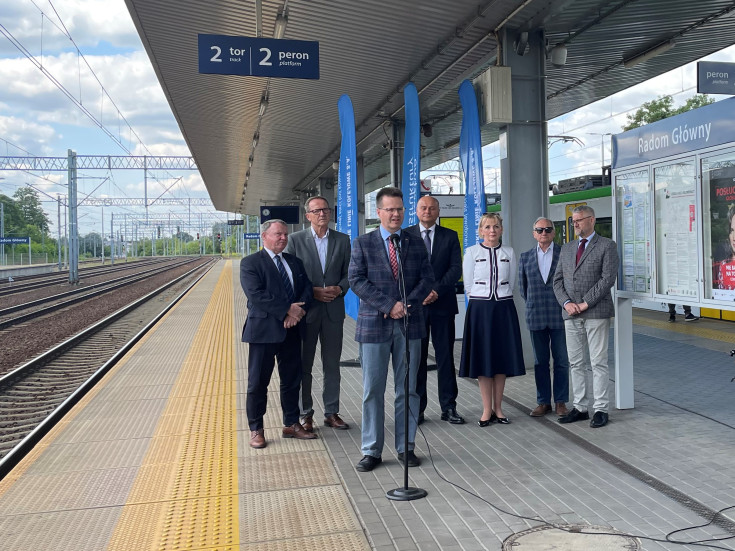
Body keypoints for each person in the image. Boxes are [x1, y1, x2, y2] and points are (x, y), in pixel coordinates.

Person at [348, 187, 434, 472]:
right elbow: (356, 280)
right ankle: (371, 450)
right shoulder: (363, 243)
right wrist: (389, 305)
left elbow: (427, 278)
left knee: (408, 389)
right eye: (390, 209)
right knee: (373, 389)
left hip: (409, 323)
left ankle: (406, 447)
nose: (396, 214)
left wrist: (406, 305)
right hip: (375, 326)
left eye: (400, 209)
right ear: (379, 212)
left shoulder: (414, 242)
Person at [240, 219, 317, 449]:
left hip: (292, 330)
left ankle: (291, 423)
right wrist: (287, 310)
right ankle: (256, 428)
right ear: (264, 236)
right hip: (263, 332)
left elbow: (306, 289)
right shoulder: (250, 263)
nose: (283, 238)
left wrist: (297, 313)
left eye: (285, 234)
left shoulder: (294, 261)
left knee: (292, 380)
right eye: (278, 234)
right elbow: (257, 295)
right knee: (258, 383)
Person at [285, 195, 352, 431]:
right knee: (304, 364)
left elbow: (350, 273)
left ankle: (331, 412)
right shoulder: (295, 240)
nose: (322, 213)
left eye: (325, 209)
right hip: (307, 312)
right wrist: (311, 292)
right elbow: (290, 276)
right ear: (308, 216)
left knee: (332, 364)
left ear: (330, 213)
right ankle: (305, 413)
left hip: (334, 310)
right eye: (317, 210)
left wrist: (341, 288)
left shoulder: (343, 240)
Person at [553, 205, 619, 429]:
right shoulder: (567, 248)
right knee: (576, 363)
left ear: (592, 220)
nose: (575, 224)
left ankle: (601, 409)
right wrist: (567, 303)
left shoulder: (607, 246)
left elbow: (607, 279)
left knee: (598, 362)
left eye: (579, 220)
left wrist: (585, 303)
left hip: (596, 312)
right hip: (570, 314)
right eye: (573, 221)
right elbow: (558, 281)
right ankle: (580, 407)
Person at [459, 213, 525, 427]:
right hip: (480, 309)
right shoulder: (471, 252)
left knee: (501, 360)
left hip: (504, 309)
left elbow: (512, 282)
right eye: (487, 227)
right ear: (480, 230)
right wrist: (482, 299)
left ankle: (499, 407)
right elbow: (468, 285)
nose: (492, 231)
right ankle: (487, 409)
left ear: (501, 230)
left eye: (496, 226)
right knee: (483, 359)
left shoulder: (509, 252)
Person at [405, 195, 464, 425]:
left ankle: (449, 407)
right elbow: (403, 271)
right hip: (416, 308)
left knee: (445, 358)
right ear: (416, 211)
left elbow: (455, 268)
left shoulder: (449, 236)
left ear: (438, 211)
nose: (427, 211)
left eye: (432, 208)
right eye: (423, 207)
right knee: (416, 359)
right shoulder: (406, 236)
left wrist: (436, 291)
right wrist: (421, 294)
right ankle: (417, 409)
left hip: (443, 305)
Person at [518, 217, 570, 417]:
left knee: (561, 361)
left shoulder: (564, 253)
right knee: (540, 362)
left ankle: (560, 402)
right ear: (534, 233)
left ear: (554, 232)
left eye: (548, 229)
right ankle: (542, 402)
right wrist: (533, 302)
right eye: (539, 230)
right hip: (536, 314)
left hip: (559, 315)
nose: (544, 233)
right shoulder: (525, 257)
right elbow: (523, 288)